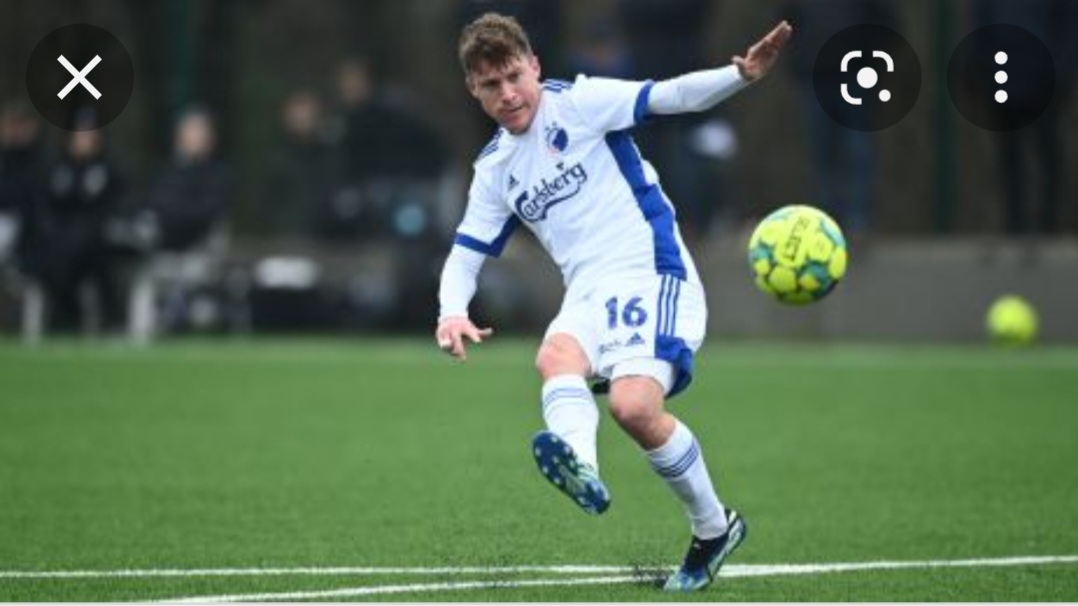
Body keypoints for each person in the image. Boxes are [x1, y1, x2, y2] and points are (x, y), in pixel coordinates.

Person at [435, 13, 791, 591]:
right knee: (554, 357)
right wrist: (452, 311)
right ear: (473, 90)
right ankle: (581, 464)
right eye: (491, 85)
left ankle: (714, 528)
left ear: (534, 66)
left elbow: (670, 96)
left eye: (514, 76)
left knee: (632, 407)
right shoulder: (495, 169)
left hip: (650, 268)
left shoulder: (579, 103)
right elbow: (464, 255)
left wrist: (741, 75)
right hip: (589, 290)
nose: (508, 94)